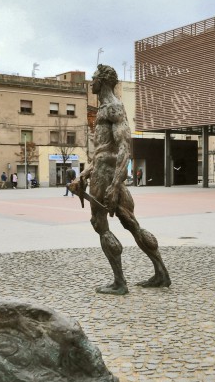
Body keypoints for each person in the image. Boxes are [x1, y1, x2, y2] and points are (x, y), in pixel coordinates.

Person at [68, 64, 170, 295]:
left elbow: (124, 148)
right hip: (104, 172)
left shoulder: (113, 108)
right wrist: (85, 174)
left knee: (100, 225)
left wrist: (113, 185)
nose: (91, 83)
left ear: (102, 81)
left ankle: (119, 282)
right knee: (132, 223)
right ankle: (161, 273)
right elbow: (106, 149)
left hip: (106, 176)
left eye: (93, 78)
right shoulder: (106, 108)